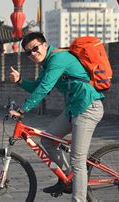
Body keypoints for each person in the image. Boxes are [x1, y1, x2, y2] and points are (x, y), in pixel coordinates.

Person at [8, 32, 104, 201]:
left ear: (45, 45)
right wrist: (20, 80)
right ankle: (69, 180)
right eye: (28, 52)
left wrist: (23, 110)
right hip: (73, 109)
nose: (33, 54)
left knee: (77, 160)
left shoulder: (58, 59)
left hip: (88, 107)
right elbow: (37, 86)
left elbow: (44, 88)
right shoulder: (47, 65)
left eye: (35, 48)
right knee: (48, 140)